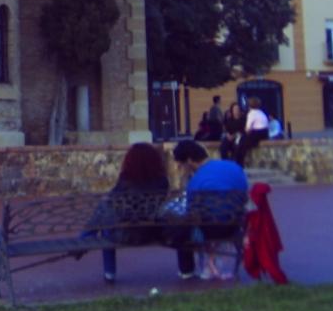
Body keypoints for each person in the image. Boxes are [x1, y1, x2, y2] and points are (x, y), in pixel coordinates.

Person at [86, 143, 170, 283]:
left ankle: (108, 272)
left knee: (106, 216)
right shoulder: (162, 182)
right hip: (152, 233)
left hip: (126, 234)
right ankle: (186, 271)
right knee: (107, 210)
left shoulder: (126, 181)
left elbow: (113, 201)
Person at [171, 139, 248, 280]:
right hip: (234, 224)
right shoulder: (235, 168)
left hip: (209, 229)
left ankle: (187, 270)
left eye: (181, 164)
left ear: (189, 161)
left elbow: (191, 211)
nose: (180, 168)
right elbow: (244, 194)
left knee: (179, 226)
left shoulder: (195, 182)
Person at [236, 96, 270, 166]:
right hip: (265, 132)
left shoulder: (251, 113)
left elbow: (247, 129)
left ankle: (239, 162)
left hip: (257, 133)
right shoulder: (261, 112)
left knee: (241, 144)